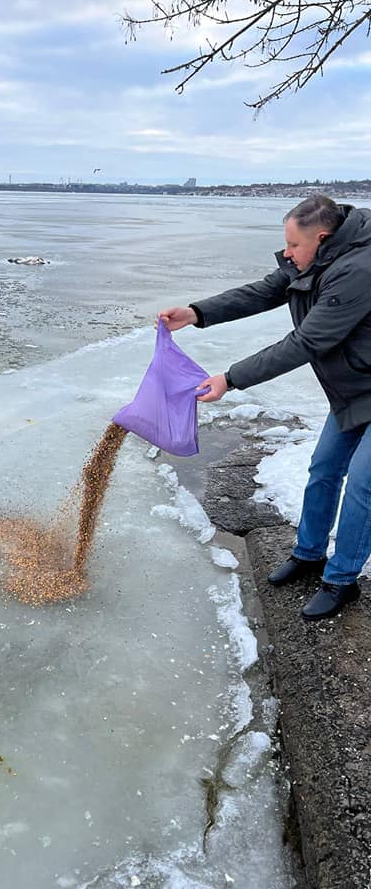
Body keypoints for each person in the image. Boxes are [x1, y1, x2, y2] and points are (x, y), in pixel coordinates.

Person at [159, 194, 371, 621]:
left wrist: (231, 378)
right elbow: (264, 291)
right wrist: (198, 313)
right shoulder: (320, 256)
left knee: (363, 489)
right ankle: (309, 555)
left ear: (323, 237)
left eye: (293, 246)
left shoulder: (360, 270)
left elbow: (307, 342)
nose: (287, 255)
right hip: (354, 387)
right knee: (324, 469)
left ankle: (341, 580)